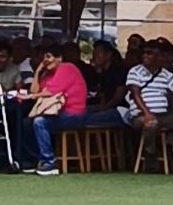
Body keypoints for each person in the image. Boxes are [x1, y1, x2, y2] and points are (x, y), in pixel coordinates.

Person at [24, 45, 122, 176]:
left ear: (59, 58)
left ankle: (50, 162)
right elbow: (34, 91)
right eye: (43, 58)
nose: (45, 61)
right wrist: (38, 71)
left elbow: (51, 92)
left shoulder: (67, 68)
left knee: (39, 122)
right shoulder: (46, 74)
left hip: (73, 114)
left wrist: (29, 97)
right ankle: (35, 160)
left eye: (48, 57)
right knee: (27, 122)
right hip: (56, 114)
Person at [126, 40, 173, 163]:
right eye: (144, 53)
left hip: (163, 116)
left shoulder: (166, 74)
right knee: (151, 124)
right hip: (141, 115)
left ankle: (168, 145)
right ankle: (150, 153)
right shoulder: (135, 71)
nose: (145, 55)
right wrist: (147, 113)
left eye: (149, 53)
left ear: (159, 56)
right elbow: (135, 94)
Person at [90, 40, 127, 112]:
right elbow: (103, 94)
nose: (95, 56)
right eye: (94, 53)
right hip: (107, 108)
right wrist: (101, 107)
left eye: (98, 52)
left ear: (109, 54)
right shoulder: (104, 72)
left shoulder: (119, 70)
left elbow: (118, 97)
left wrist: (104, 109)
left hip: (119, 110)